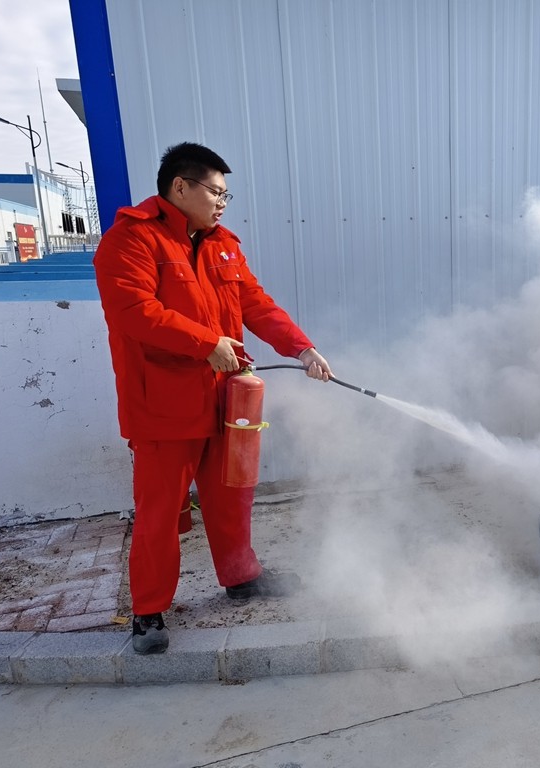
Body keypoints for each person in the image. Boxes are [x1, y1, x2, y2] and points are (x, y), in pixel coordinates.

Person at [93, 142, 332, 655]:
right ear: (181, 187)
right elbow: (133, 311)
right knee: (160, 511)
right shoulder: (131, 240)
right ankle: (148, 610)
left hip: (228, 399)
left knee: (232, 494)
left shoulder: (223, 245)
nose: (223, 203)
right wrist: (206, 343)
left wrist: (301, 347)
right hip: (163, 405)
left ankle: (241, 576)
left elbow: (255, 303)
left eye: (227, 195)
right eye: (216, 192)